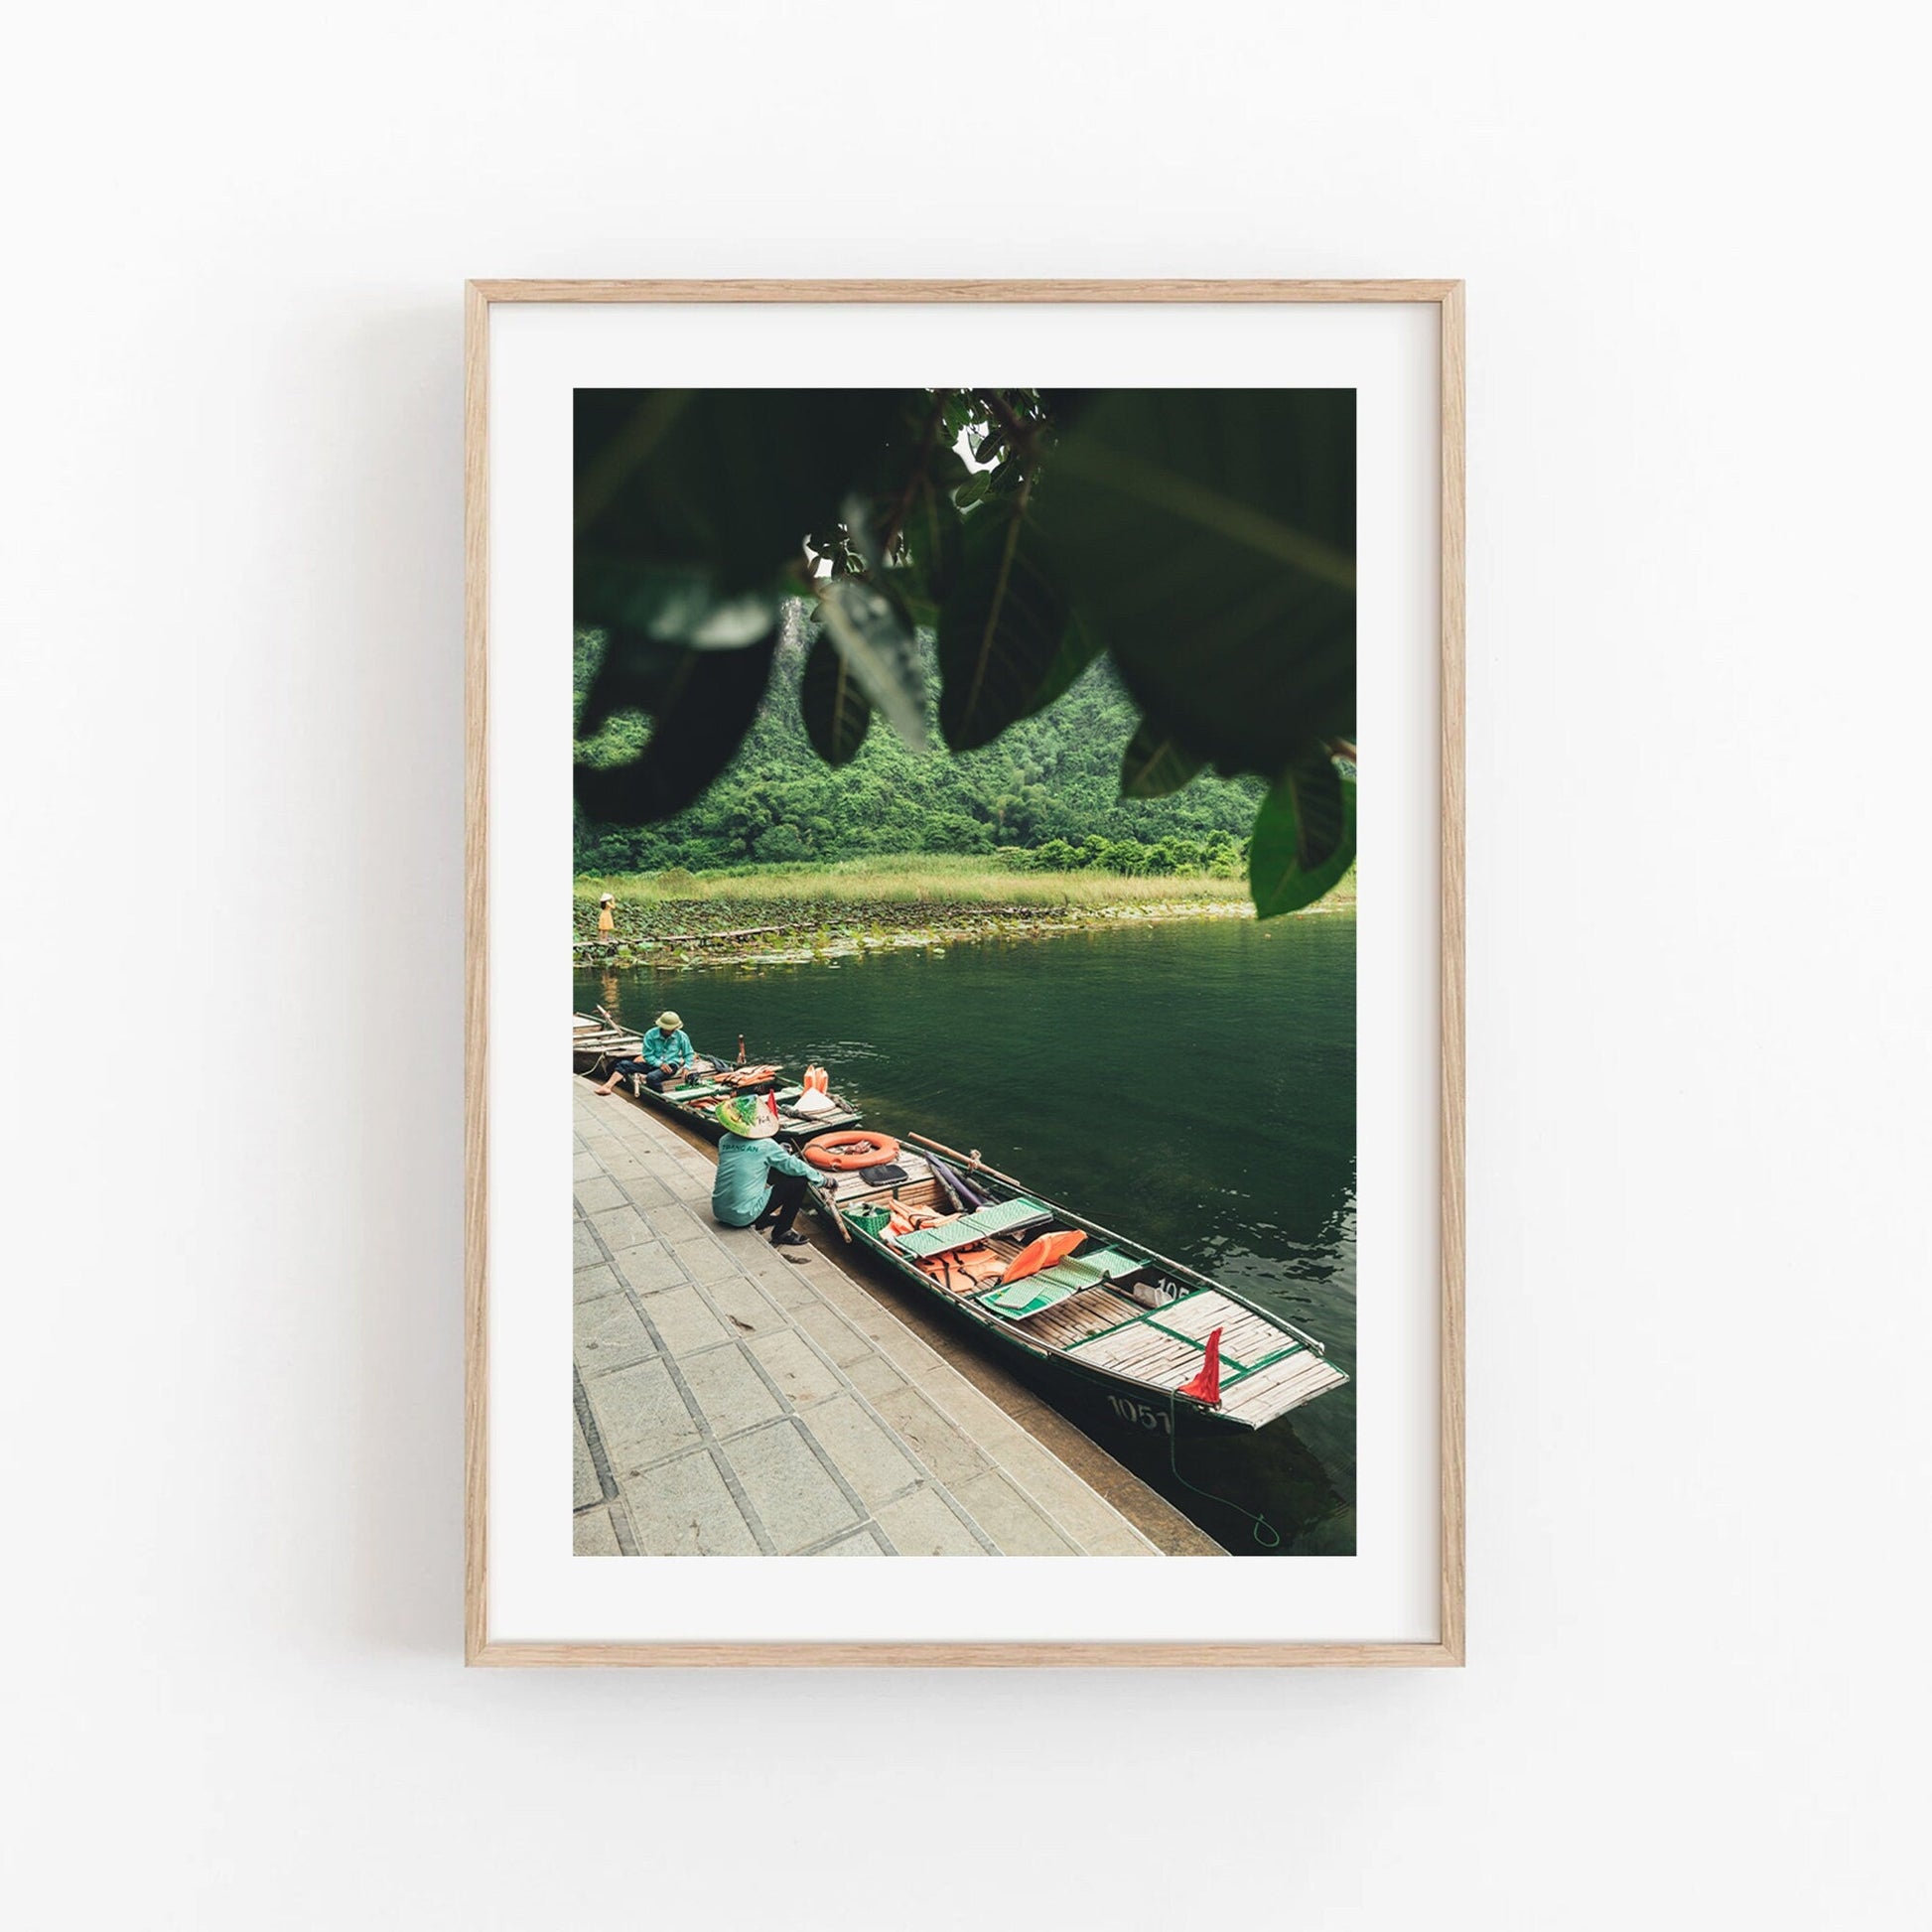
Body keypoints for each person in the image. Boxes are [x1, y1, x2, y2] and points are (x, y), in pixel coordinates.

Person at [710, 1094, 817, 1248]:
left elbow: (746, 1157)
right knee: (799, 1182)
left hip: (720, 1211)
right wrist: (822, 1179)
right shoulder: (766, 1145)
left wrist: (777, 1151)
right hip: (742, 1216)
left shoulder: (724, 1140)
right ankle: (782, 1232)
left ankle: (762, 1218)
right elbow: (794, 1166)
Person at [591, 1010, 694, 1096]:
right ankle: (607, 1087)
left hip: (670, 1065)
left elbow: (688, 1054)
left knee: (652, 1078)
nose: (673, 1030)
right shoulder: (650, 1035)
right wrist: (659, 1064)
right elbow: (648, 1055)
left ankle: (663, 1097)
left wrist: (687, 1067)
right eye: (670, 1029)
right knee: (623, 1065)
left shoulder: (681, 1036)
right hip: (652, 1064)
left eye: (674, 1028)